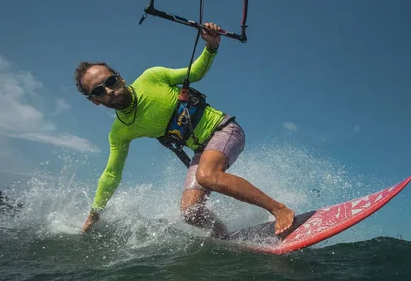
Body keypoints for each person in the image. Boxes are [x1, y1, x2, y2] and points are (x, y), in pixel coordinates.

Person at [75, 23, 295, 238]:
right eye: (98, 91)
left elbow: (196, 73)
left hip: (224, 129)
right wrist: (95, 213)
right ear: (94, 101)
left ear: (120, 78)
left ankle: (279, 209)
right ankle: (224, 236)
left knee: (207, 175)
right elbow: (111, 174)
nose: (109, 90)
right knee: (190, 213)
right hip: (201, 150)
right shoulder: (120, 131)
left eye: (111, 81)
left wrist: (211, 46)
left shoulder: (152, 77)